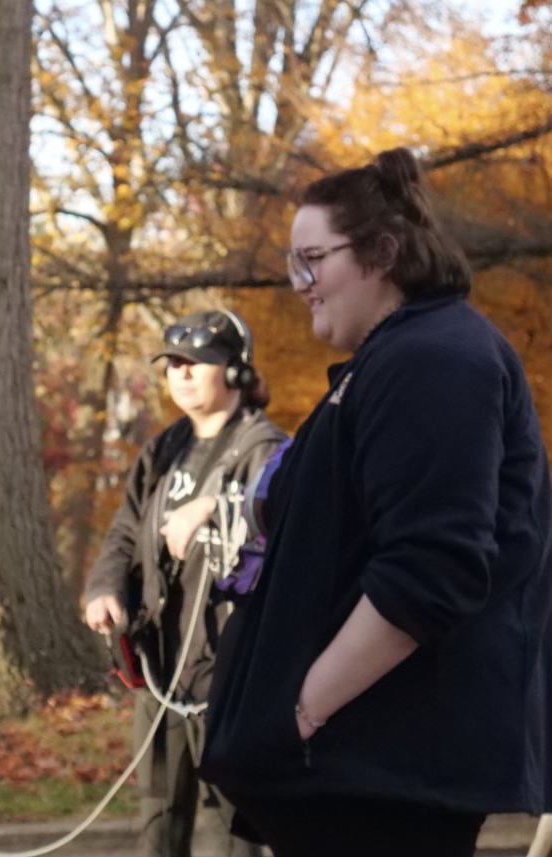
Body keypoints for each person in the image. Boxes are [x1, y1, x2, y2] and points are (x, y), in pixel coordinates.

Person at [201, 148, 552, 857]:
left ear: (383, 254)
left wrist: (301, 712)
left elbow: (432, 570)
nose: (298, 284)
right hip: (359, 772)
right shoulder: (390, 362)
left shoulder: (437, 359)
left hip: (387, 775)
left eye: (312, 260)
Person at [82, 309, 286, 857]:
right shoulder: (163, 449)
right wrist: (103, 588)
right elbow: (124, 534)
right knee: (158, 819)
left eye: (200, 362)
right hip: (163, 670)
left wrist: (218, 505)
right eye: (173, 363)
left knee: (232, 828)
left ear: (237, 373)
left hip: (230, 675)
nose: (183, 372)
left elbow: (278, 534)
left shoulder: (265, 450)